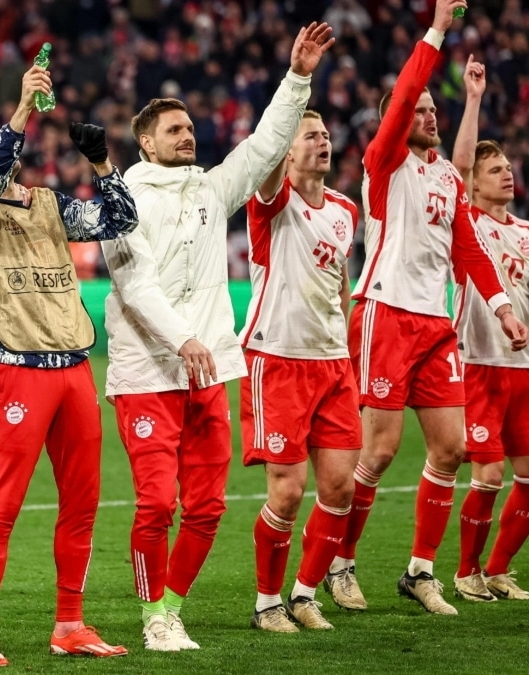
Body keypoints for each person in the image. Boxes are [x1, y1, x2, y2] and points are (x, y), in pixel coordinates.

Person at [101, 22, 333, 651]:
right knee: (156, 504)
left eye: (189, 126)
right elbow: (135, 285)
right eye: (174, 130)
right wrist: (183, 339)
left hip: (206, 371)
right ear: (145, 142)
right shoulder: (120, 198)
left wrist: (298, 76)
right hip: (149, 370)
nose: (188, 135)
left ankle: (171, 608)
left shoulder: (209, 189)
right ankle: (152, 618)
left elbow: (262, 149)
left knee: (206, 509)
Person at [324, 0, 528, 616]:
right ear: (395, 120)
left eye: (434, 111)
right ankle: (340, 563)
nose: (429, 116)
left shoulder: (445, 176)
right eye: (420, 110)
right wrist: (437, 29)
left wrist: (501, 307)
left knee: (451, 450)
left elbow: (466, 246)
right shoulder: (383, 164)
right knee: (379, 452)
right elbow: (411, 83)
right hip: (384, 313)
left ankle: (419, 571)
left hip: (435, 325)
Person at [0, 65, 138, 666]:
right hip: (17, 365)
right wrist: (24, 107)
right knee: (4, 503)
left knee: (82, 504)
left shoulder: (50, 204)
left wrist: (103, 164)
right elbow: (2, 163)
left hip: (74, 365)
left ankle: (70, 624)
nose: (5, 149)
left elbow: (121, 220)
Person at [239, 110, 362, 632]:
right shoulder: (272, 200)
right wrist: (293, 96)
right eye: (310, 135)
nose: (323, 141)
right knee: (287, 492)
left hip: (332, 363)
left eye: (326, 135)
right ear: (287, 152)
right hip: (278, 360)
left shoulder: (345, 209)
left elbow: (341, 283)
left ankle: (306, 593)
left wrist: (345, 345)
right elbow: (266, 174)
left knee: (340, 488)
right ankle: (268, 603)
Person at [450, 59, 529, 603]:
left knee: (527, 478)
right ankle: (465, 571)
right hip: (479, 360)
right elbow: (456, 167)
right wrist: (474, 100)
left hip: (523, 368)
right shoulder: (467, 224)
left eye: (507, 167)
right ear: (473, 184)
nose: (506, 173)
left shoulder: (526, 230)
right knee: (489, 476)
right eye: (493, 168)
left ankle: (499, 568)